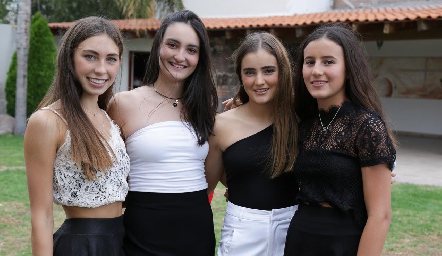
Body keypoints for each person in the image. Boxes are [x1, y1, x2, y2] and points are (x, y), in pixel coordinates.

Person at [107, 10, 218, 255]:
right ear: (158, 46)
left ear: (200, 57)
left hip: (196, 232)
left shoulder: (204, 108)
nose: (180, 56)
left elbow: (210, 177)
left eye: (191, 50)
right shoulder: (122, 103)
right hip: (142, 233)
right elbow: (110, 177)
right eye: (172, 45)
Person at [284, 22, 396, 255]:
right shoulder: (304, 123)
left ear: (349, 69)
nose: (316, 70)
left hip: (343, 241)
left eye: (328, 61)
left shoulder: (367, 125)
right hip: (299, 236)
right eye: (309, 62)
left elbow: (381, 216)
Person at [24, 16, 130, 255]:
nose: (101, 69)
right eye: (90, 56)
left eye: (110, 59)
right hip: (81, 246)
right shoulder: (48, 121)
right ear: (70, 58)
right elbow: (41, 215)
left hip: (121, 241)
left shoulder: (110, 119)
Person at [205, 32, 299, 256]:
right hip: (241, 232)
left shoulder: (300, 119)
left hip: (295, 230)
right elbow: (206, 187)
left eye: (268, 70)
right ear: (240, 76)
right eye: (250, 72)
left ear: (282, 71)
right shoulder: (221, 125)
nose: (259, 81)